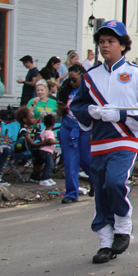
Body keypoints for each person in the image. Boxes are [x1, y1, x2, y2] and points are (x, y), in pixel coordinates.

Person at [71, 20, 138, 264]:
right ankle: (104, 243)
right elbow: (76, 105)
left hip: (126, 138)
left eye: (111, 41)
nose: (105, 46)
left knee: (114, 182)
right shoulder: (90, 77)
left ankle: (123, 224)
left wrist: (121, 115)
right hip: (99, 141)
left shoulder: (136, 74)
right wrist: (90, 110)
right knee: (99, 190)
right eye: (101, 42)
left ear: (123, 45)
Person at [57, 64, 91, 204]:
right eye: (70, 79)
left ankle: (95, 183)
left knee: (86, 160)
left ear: (82, 77)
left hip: (84, 129)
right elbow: (59, 114)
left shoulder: (89, 92)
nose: (71, 82)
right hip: (68, 128)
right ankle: (71, 193)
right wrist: (61, 109)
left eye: (74, 79)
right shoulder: (66, 91)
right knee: (70, 162)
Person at [36, 113, 57, 186]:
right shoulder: (50, 132)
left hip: (42, 150)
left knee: (48, 164)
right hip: (47, 151)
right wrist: (58, 141)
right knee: (49, 165)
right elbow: (50, 141)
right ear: (53, 124)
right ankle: (44, 179)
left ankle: (48, 177)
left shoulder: (43, 131)